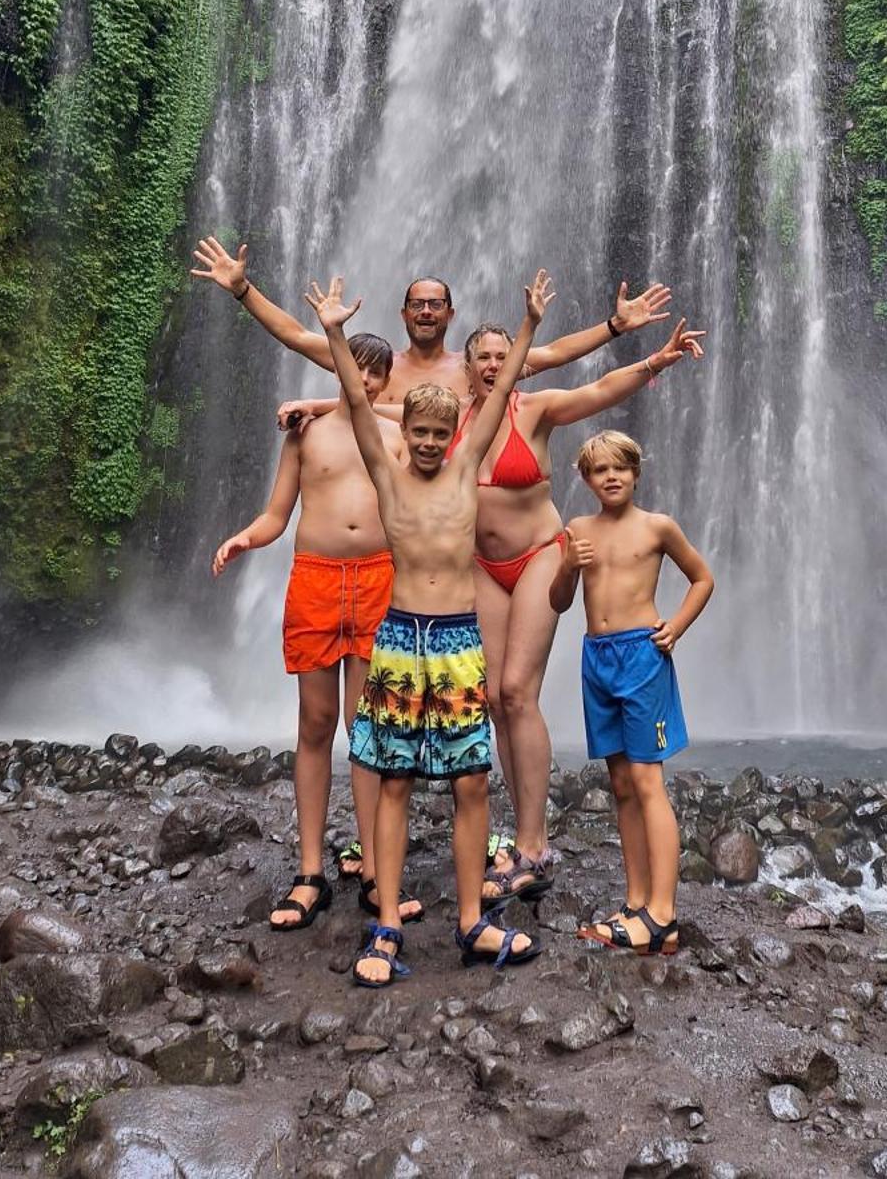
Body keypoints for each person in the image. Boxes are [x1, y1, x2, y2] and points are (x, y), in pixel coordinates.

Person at [305, 266, 555, 988]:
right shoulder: (387, 480)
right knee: (392, 785)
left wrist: (531, 324)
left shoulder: (463, 467)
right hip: (398, 639)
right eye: (415, 429)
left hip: (455, 645)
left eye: (437, 432)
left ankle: (472, 920)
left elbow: (501, 390)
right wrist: (332, 330)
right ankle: (384, 925)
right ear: (400, 432)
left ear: (454, 436)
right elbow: (355, 399)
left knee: (472, 783)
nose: (425, 440)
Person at [448, 315, 704, 906]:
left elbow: (596, 391)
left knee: (516, 691)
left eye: (500, 355)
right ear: (466, 367)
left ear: (516, 361)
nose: (491, 364)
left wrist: (656, 361)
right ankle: (516, 834)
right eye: (481, 357)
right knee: (491, 699)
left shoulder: (533, 409)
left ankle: (534, 844)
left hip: (541, 553)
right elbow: (371, 409)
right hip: (480, 565)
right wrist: (310, 405)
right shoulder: (447, 415)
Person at [210, 332, 423, 931]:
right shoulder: (304, 435)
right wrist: (245, 537)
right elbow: (278, 514)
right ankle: (310, 873)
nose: (365, 379)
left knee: (366, 728)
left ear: (386, 381)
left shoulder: (396, 433)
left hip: (380, 580)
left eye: (376, 372)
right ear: (337, 368)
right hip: (316, 580)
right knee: (315, 723)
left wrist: (333, 404)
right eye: (355, 368)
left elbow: (433, 437)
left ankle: (378, 870)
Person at [548, 428, 714, 955]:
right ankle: (636, 900)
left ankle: (662, 914)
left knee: (646, 781)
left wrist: (677, 627)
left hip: (643, 657)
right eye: (600, 470)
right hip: (596, 658)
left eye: (621, 467)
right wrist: (569, 567)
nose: (611, 476)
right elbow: (558, 601)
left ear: (636, 473)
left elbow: (703, 578)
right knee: (620, 783)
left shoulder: (657, 527)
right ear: (586, 478)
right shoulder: (577, 530)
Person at [190, 233, 670, 406]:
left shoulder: (476, 369)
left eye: (435, 304)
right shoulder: (370, 365)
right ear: (403, 314)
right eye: (417, 304)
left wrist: (613, 326)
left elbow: (554, 353)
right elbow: (296, 335)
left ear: (450, 313)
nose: (425, 310)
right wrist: (243, 291)